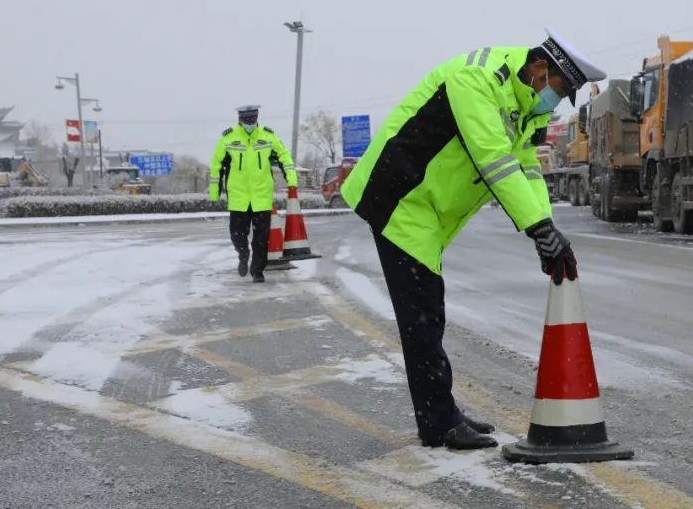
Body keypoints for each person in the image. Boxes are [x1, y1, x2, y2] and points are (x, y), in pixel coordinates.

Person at [341, 30, 606, 450]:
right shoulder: (475, 81)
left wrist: (548, 228)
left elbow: (527, 169)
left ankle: (442, 414)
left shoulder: (525, 108)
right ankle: (439, 424)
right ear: (540, 69)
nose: (555, 102)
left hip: (425, 206)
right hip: (398, 196)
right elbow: (493, 160)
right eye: (559, 90)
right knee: (423, 314)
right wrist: (537, 229)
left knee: (427, 310)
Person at [210, 105, 298, 283]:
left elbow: (285, 157)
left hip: (261, 196)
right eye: (246, 119)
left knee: (261, 238)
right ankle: (243, 254)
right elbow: (216, 165)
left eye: (252, 119)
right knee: (237, 234)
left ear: (257, 118)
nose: (250, 122)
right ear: (240, 119)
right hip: (238, 197)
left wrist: (292, 179)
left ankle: (258, 270)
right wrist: (214, 192)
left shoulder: (268, 136)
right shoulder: (229, 137)